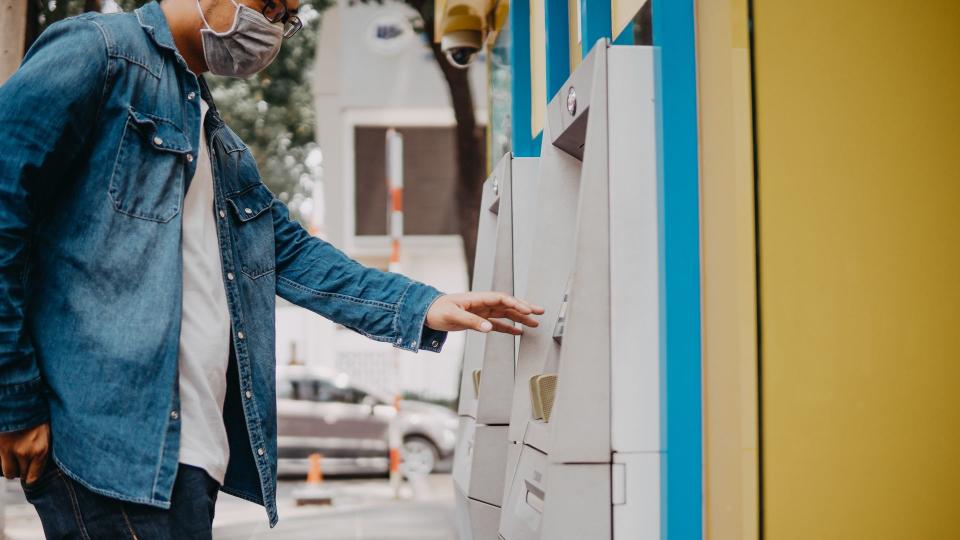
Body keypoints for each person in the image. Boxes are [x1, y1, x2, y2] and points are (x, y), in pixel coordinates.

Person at [0, 0, 543, 537]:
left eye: (286, 16)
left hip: (189, 455)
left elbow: (293, 255)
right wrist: (15, 402)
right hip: (108, 449)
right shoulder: (99, 51)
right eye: (269, 5)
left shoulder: (216, 139)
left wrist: (425, 306)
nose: (274, 28)